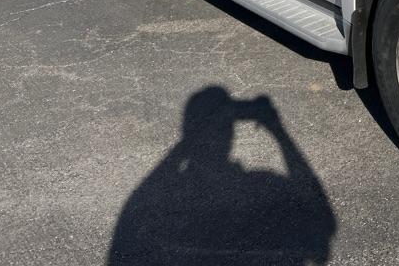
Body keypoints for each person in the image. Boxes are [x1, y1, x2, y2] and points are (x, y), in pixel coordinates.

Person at [108, 86, 335, 265]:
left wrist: (188, 141)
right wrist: (277, 130)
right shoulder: (259, 185)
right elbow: (320, 214)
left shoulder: (170, 197)